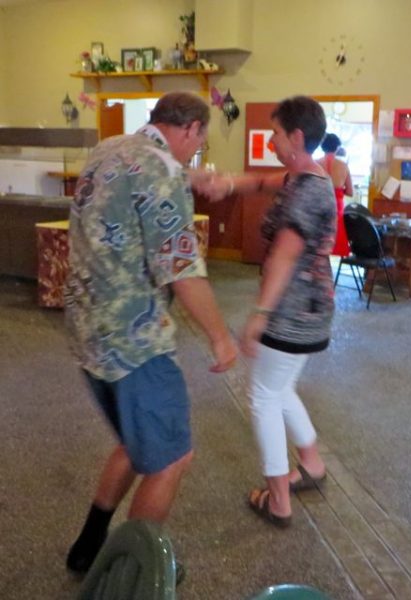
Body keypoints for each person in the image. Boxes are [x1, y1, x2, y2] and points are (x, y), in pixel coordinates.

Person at [64, 92, 238, 575]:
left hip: (87, 332)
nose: (195, 154)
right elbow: (181, 271)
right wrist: (221, 337)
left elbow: (136, 188)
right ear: (191, 130)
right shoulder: (161, 169)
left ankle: (89, 544)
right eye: (198, 145)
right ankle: (129, 572)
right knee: (170, 458)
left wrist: (191, 175)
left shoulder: (108, 149)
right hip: (134, 340)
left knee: (137, 443)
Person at [196, 96, 336, 527]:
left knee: (262, 398)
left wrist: (259, 314)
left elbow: (283, 258)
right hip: (309, 310)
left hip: (291, 314)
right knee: (280, 389)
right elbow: (262, 182)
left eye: (275, 133)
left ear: (295, 137)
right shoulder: (307, 177)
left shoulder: (307, 192)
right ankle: (310, 462)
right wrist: (228, 184)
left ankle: (278, 501)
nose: (271, 139)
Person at [317, 133, 353, 257]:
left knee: (318, 240)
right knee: (335, 236)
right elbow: (350, 192)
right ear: (337, 147)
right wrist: (338, 191)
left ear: (322, 146)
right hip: (337, 205)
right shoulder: (343, 166)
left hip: (320, 203)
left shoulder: (315, 164)